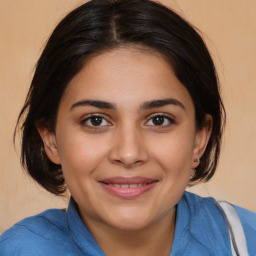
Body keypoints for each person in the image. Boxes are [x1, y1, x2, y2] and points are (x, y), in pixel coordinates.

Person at [0, 0, 255, 255]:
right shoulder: (17, 250)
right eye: (95, 120)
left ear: (200, 137)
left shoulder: (245, 240)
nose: (129, 153)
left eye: (159, 120)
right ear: (51, 139)